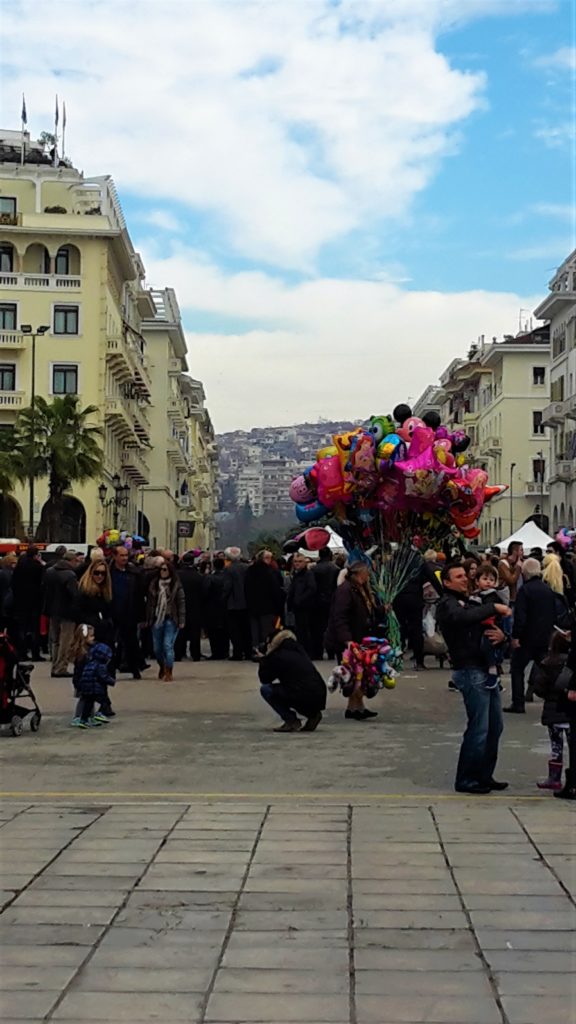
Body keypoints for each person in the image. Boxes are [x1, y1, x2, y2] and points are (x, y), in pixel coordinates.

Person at [436, 563, 512, 794]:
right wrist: (494, 608)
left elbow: (486, 624)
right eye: (458, 576)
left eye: (464, 575)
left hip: (485, 667)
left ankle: (484, 775)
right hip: (470, 669)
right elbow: (462, 618)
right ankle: (467, 779)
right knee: (479, 726)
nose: (464, 579)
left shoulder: (473, 600)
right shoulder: (447, 604)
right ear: (447, 582)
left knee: (494, 726)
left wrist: (503, 636)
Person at [504, 558, 568, 714]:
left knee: (517, 669)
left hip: (527, 638)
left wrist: (516, 636)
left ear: (524, 573)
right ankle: (555, 699)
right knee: (548, 668)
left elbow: (521, 616)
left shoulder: (525, 591)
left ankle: (518, 703)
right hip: (545, 637)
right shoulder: (548, 590)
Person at [325, 561, 378, 721]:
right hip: (349, 640)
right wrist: (347, 639)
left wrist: (382, 610)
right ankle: (356, 707)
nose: (368, 575)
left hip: (359, 638)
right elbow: (339, 617)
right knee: (354, 674)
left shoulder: (359, 589)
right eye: (366, 572)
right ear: (358, 573)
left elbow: (368, 611)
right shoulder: (345, 591)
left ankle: (355, 707)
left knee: (360, 673)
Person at [257, 626, 327, 733]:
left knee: (266, 690)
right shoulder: (299, 649)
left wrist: (264, 660)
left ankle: (290, 720)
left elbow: (265, 679)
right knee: (299, 689)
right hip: (320, 694)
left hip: (302, 694)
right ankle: (313, 715)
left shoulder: (277, 655)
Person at [530, 629, 571, 791]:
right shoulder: (571, 664)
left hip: (553, 711)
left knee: (556, 746)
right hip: (570, 711)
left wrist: (548, 695)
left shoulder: (547, 663)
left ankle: (554, 778)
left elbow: (539, 687)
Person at [393, 557, 442, 670]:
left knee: (399, 629)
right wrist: (442, 594)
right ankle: (419, 661)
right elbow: (433, 578)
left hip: (398, 598)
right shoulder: (419, 563)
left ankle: (396, 659)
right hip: (414, 599)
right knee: (416, 630)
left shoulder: (396, 561)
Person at [469, 563, 509, 689]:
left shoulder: (492, 596)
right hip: (482, 627)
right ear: (477, 581)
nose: (488, 582)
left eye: (491, 580)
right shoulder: (476, 595)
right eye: (485, 579)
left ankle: (493, 671)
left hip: (490, 626)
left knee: (487, 646)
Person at [109, 545, 146, 679]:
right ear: (115, 556)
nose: (124, 558)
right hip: (112, 612)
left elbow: (140, 595)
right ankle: (111, 670)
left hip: (129, 612)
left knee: (131, 642)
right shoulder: (108, 572)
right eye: (122, 555)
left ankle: (134, 668)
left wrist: (142, 615)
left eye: (126, 555)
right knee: (111, 642)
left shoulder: (134, 573)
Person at [147, 561, 185, 681]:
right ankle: (162, 666)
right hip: (157, 618)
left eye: (165, 569)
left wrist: (181, 619)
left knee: (167, 645)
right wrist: (147, 618)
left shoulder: (175, 585)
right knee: (157, 648)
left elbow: (181, 602)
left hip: (171, 618)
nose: (163, 572)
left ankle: (169, 671)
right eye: (161, 569)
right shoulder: (154, 584)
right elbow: (149, 603)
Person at [44, 550, 79, 678]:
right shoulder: (70, 575)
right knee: (66, 641)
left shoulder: (50, 572)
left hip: (53, 610)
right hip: (67, 612)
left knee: (55, 640)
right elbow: (75, 595)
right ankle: (61, 667)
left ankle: (54, 666)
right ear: (71, 561)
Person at [245, 550, 285, 653]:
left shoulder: (249, 571)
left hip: (252, 606)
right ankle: (266, 650)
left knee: (254, 630)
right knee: (267, 631)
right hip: (268, 607)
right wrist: (279, 606)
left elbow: (246, 588)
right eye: (268, 558)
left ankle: (255, 650)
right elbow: (276, 590)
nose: (270, 560)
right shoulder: (271, 571)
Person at [11, 546, 46, 661]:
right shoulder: (38, 567)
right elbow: (42, 584)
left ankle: (22, 653)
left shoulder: (19, 567)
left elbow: (14, 583)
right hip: (35, 601)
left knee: (22, 628)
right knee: (35, 629)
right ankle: (35, 654)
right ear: (36, 555)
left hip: (21, 601)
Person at [72, 640, 116, 729]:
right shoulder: (100, 666)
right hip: (95, 689)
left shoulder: (89, 663)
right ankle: (99, 713)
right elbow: (103, 677)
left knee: (88, 704)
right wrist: (112, 681)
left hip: (86, 688)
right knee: (104, 702)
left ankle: (83, 719)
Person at [75, 560, 115, 646]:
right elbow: (78, 612)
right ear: (91, 573)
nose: (100, 576)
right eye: (97, 573)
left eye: (103, 573)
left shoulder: (106, 592)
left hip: (105, 633)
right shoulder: (84, 591)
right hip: (89, 633)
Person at [222, 548, 252, 661]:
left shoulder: (228, 569)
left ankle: (237, 652)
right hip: (246, 603)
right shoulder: (247, 568)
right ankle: (248, 652)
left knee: (235, 630)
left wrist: (223, 599)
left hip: (233, 604)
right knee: (246, 629)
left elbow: (227, 587)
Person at [311, 547, 339, 660]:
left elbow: (313, 587)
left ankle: (318, 651)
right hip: (332, 600)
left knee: (318, 628)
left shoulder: (314, 569)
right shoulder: (335, 568)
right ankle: (331, 651)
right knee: (331, 627)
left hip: (317, 601)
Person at [287, 553, 317, 657]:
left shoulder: (308, 574)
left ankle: (309, 652)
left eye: (300, 561)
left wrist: (300, 600)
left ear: (304, 562)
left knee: (306, 631)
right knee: (300, 630)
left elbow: (312, 589)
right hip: (298, 608)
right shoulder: (296, 574)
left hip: (306, 608)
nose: (297, 564)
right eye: (295, 561)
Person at [176, 552, 204, 661]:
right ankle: (195, 654)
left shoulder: (178, 575)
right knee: (195, 632)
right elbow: (203, 592)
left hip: (180, 605)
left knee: (180, 631)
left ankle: (178, 653)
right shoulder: (199, 576)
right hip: (196, 606)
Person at [204, 556, 229, 659]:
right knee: (224, 631)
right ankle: (225, 651)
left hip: (212, 608)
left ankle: (216, 653)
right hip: (225, 607)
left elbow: (205, 592)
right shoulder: (227, 577)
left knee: (213, 632)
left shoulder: (210, 578)